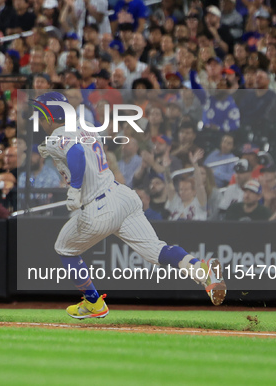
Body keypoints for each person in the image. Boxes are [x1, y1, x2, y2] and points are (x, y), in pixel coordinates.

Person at [31, 92, 226, 320]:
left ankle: (93, 302)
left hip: (98, 207)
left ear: (50, 115)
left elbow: (76, 154)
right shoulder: (87, 128)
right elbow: (79, 151)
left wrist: (74, 189)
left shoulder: (58, 135)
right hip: (123, 196)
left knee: (64, 248)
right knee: (157, 251)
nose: (38, 118)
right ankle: (200, 269)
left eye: (40, 113)